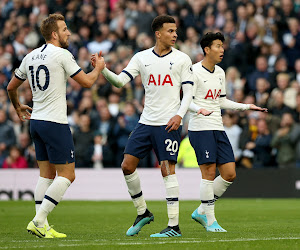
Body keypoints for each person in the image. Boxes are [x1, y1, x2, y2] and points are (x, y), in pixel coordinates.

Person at [93, 15, 194, 237]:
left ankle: (174, 226)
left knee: (167, 171)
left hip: (168, 123)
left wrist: (179, 115)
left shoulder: (182, 59)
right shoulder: (141, 58)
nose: (175, 34)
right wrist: (103, 70)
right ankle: (143, 212)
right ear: (158, 33)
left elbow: (188, 93)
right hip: (145, 122)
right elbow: (120, 82)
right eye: (170, 31)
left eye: (176, 31)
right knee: (127, 166)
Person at [7, 13, 105, 238]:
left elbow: (11, 87)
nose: (68, 32)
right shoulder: (62, 54)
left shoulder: (30, 56)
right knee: (68, 175)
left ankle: (42, 226)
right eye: (64, 29)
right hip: (55, 122)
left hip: (37, 123)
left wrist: (18, 107)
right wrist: (98, 68)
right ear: (54, 34)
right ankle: (38, 220)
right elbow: (88, 82)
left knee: (46, 175)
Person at [188, 32, 267, 232]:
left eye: (222, 46)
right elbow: (185, 101)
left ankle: (200, 210)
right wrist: (199, 109)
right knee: (208, 173)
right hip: (200, 128)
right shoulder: (193, 71)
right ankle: (210, 220)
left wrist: (246, 106)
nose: (222, 49)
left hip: (217, 126)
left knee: (230, 174)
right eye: (217, 46)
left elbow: (221, 101)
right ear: (206, 49)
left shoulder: (221, 73)